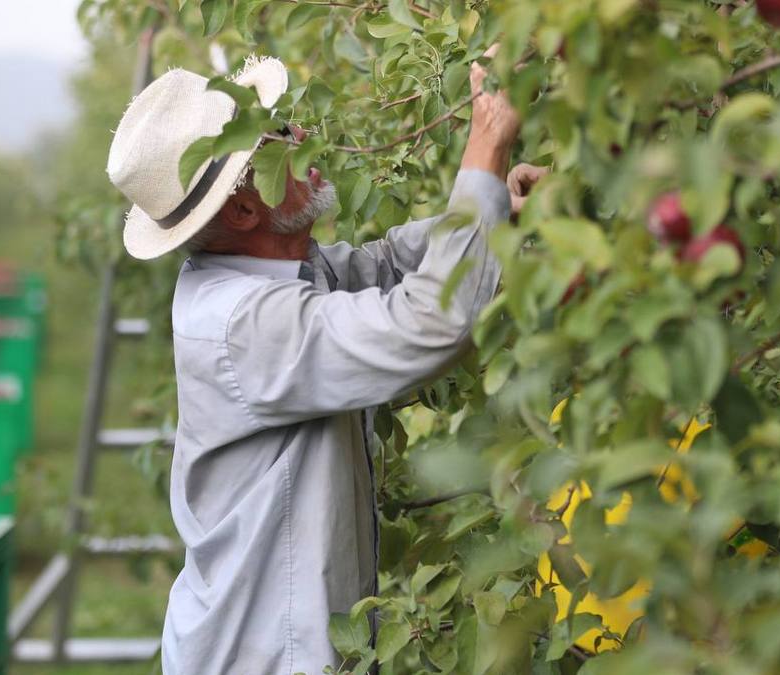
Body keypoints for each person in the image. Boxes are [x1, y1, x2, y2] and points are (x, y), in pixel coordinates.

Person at [106, 51, 545, 675]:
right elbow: (430, 320)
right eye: (279, 138)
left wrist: (494, 202)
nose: (303, 135)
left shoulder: (274, 272)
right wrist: (487, 135)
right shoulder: (245, 323)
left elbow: (386, 267)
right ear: (241, 210)